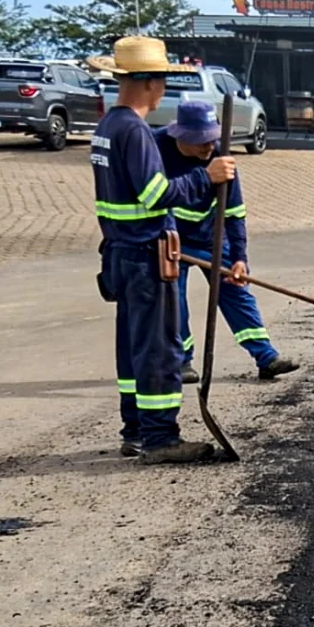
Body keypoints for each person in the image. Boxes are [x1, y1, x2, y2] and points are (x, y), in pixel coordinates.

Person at [89, 36, 237, 463]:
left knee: (132, 347)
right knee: (158, 348)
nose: (163, 91)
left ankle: (135, 429)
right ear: (149, 82)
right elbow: (155, 194)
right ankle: (160, 438)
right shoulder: (135, 131)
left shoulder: (107, 127)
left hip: (120, 253)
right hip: (145, 255)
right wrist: (206, 177)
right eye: (162, 82)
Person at [155, 100, 300, 383]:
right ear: (181, 135)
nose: (209, 147)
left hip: (211, 237)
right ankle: (181, 362)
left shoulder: (221, 157)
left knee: (237, 290)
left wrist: (239, 258)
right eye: (201, 141)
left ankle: (266, 357)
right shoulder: (156, 148)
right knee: (174, 300)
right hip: (171, 238)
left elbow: (234, 214)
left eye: (212, 139)